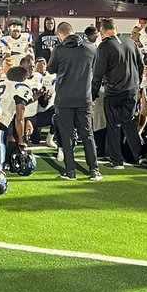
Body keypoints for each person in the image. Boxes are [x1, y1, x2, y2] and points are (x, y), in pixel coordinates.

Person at [47, 21, 101, 181]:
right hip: (84, 98)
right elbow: (97, 71)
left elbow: (50, 69)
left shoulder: (59, 49)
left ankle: (70, 172)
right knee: (88, 135)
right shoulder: (91, 48)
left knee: (67, 136)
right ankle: (94, 171)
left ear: (59, 35)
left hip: (64, 99)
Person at [92, 18, 142, 169]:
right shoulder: (129, 41)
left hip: (114, 92)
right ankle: (139, 156)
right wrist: (136, 84)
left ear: (102, 31)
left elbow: (98, 74)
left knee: (114, 125)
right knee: (128, 123)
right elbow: (140, 64)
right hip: (131, 90)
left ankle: (117, 160)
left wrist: (93, 94)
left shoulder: (104, 46)